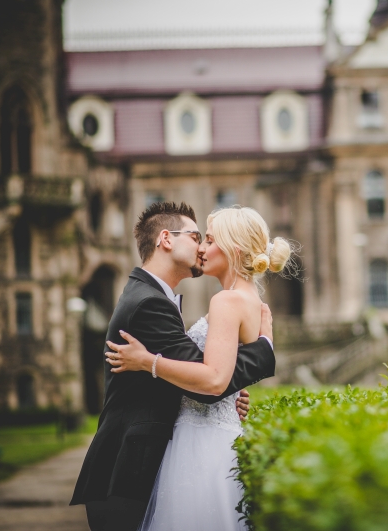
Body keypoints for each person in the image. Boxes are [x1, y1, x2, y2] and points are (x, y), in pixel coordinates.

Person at [70, 202, 276, 531]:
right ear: (166, 239)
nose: (201, 247)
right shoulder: (150, 302)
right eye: (197, 237)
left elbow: (211, 379)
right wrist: (263, 351)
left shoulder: (158, 296)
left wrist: (227, 389)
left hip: (179, 453)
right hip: (126, 469)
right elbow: (211, 384)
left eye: (208, 239)